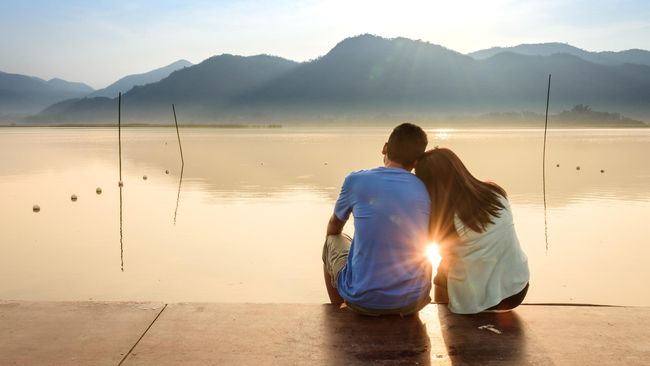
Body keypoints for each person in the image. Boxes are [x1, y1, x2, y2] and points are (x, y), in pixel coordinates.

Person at [322, 123, 432, 316]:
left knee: (332, 241)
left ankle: (340, 314)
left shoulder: (355, 181)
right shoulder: (425, 188)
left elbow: (334, 226)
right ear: (416, 161)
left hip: (363, 301)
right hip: (414, 301)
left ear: (385, 148)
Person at [414, 147, 530, 314]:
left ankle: (444, 315)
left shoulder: (441, 219)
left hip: (472, 303)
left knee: (444, 265)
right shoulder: (496, 193)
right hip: (517, 290)